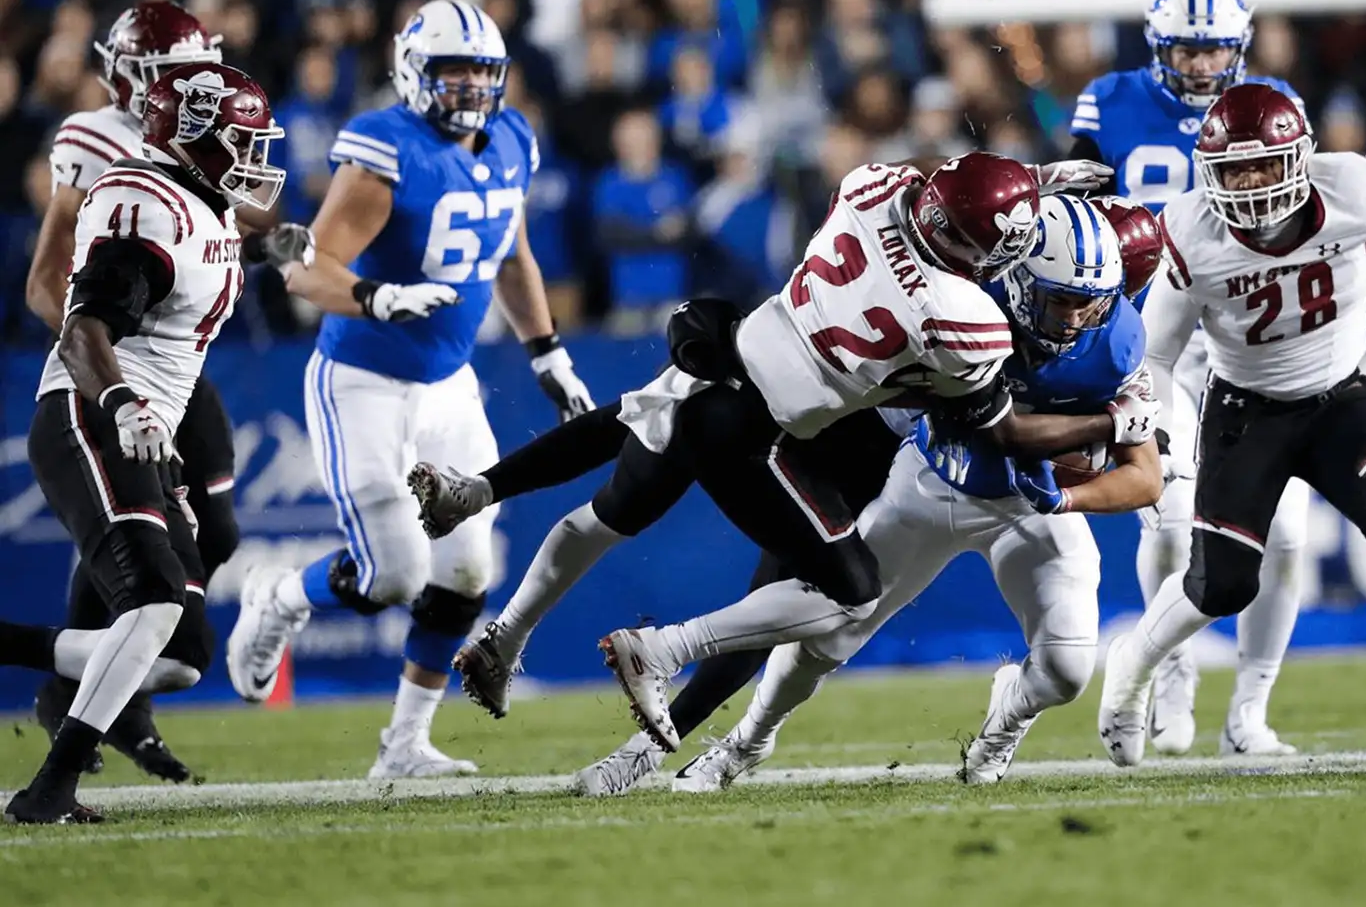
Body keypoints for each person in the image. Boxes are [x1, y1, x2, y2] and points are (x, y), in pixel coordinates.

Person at [409, 154, 1148, 756]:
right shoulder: (966, 321)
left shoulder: (876, 188)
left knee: (615, 500)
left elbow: (930, 195)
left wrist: (1032, 186)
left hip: (732, 348)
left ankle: (489, 548)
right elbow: (1006, 430)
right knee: (837, 592)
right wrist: (1108, 422)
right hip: (776, 435)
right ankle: (659, 657)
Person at [600, 195, 1165, 794]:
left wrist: (1064, 500)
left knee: (1067, 671)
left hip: (1026, 507)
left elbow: (1145, 475)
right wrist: (1103, 425)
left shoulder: (1117, 340)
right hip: (929, 481)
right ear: (1022, 278)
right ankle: (745, 742)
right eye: (1065, 301)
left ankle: (1004, 724)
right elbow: (1003, 427)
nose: (1079, 320)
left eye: (1094, 303)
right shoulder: (966, 298)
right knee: (827, 632)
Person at [224, 0, 595, 779]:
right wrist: (376, 296)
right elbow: (304, 266)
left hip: (448, 382)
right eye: (451, 70)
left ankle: (404, 747)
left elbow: (513, 254)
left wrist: (547, 355)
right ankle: (280, 597)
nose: (467, 87)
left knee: (467, 572)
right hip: (363, 379)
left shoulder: (512, 139)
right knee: (394, 574)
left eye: (481, 72)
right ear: (411, 70)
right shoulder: (385, 147)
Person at [1097, 83, 1366, 767]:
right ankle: (1133, 663)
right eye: (1234, 171)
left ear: (1299, 158)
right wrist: (1164, 433)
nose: (1250, 184)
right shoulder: (1192, 231)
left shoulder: (1353, 189)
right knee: (1224, 585)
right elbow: (1155, 351)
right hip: (1247, 412)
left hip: (1338, 398)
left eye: (1264, 165)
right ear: (1208, 173)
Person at [2, 63, 288, 824]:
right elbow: (84, 328)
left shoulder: (206, 205)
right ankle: (49, 792)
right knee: (155, 600)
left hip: (149, 428)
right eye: (244, 138)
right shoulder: (145, 204)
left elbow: (211, 266)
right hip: (93, 412)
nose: (257, 153)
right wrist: (126, 402)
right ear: (195, 137)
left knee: (179, 656)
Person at [1066, 0, 1307, 757]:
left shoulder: (1273, 107)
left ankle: (1252, 710)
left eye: (1214, 49)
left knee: (1287, 537)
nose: (1203, 65)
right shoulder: (1109, 102)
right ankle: (1171, 675)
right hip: (1153, 341)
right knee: (1169, 526)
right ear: (1158, 46)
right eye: (1188, 49)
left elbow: (1308, 215)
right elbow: (1079, 218)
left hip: (1251, 336)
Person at [19, 0, 238, 784]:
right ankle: (87, 700)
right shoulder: (102, 149)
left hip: (172, 366)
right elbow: (58, 286)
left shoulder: (204, 156)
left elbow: (205, 265)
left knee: (212, 550)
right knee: (142, 566)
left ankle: (89, 674)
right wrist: (107, 365)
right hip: (115, 371)